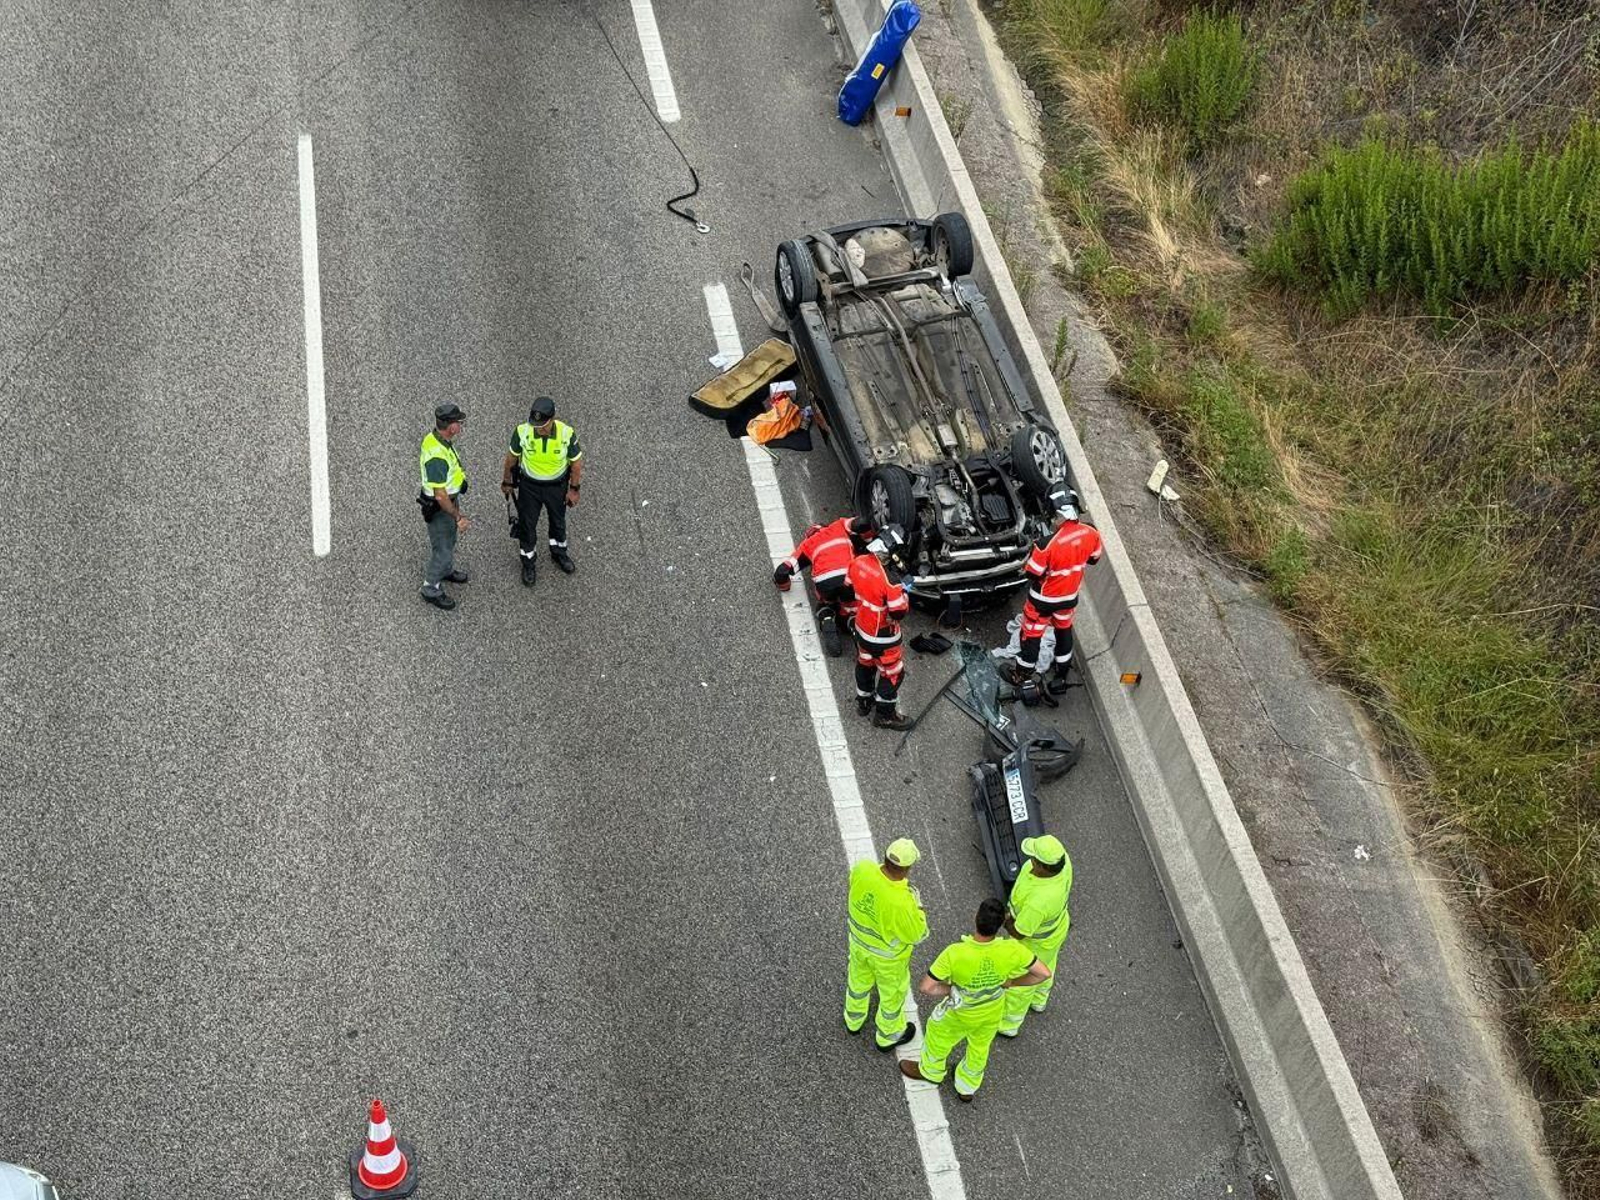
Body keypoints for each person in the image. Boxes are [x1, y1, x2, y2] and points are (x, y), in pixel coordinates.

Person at [899, 898, 1050, 1102]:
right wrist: (1012, 983)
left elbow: (926, 987)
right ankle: (966, 1086)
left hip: (961, 1012)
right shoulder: (1013, 950)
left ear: (975, 918)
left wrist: (950, 989)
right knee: (979, 1048)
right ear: (999, 925)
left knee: (937, 1034)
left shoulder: (955, 953)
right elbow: (1043, 973)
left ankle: (931, 1072)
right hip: (992, 1010)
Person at [1005, 487, 1102, 689]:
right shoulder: (1092, 532)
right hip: (1069, 598)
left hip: (1043, 601)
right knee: (1063, 631)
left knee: (1031, 634)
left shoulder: (1046, 544)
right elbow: (1094, 559)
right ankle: (1062, 673)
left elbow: (1032, 573)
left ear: (1058, 515)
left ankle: (1021, 674)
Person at [844, 838, 929, 1052]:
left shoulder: (863, 869)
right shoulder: (902, 902)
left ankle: (853, 1019)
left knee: (858, 982)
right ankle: (888, 1035)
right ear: (907, 868)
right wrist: (918, 907)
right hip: (887, 960)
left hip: (858, 944)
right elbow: (917, 934)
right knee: (892, 995)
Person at [500, 395, 583, 587]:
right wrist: (507, 482)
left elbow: (576, 463)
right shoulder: (522, 432)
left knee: (558, 522)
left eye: (543, 424)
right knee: (527, 525)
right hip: (530, 487)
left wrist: (574, 489)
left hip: (557, 487)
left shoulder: (566, 433)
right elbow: (511, 459)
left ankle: (559, 553)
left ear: (552, 419)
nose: (539, 428)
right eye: (536, 424)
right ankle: (528, 563)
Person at [998, 834, 1073, 1039]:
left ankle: (1008, 1023)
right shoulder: (1063, 862)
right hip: (1054, 933)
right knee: (1047, 965)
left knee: (1022, 981)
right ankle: (1040, 1000)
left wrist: (1004, 920)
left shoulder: (1040, 901)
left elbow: (1020, 932)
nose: (1029, 860)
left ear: (1043, 866)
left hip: (1034, 942)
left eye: (1033, 858)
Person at [773, 515, 876, 656]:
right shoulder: (838, 526)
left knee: (826, 604)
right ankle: (853, 626)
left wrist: (784, 585)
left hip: (825, 582)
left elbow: (782, 571)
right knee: (852, 606)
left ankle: (827, 618)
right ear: (825, 526)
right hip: (848, 576)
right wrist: (868, 540)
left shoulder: (807, 545)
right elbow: (862, 522)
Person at [847, 526, 912, 730]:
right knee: (893, 673)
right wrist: (906, 593)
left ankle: (864, 703)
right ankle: (885, 715)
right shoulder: (891, 581)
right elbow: (898, 611)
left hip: (862, 627)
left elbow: (849, 586)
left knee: (865, 663)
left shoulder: (857, 562)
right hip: (883, 636)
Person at [419, 403, 470, 611]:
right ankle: (431, 588)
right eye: (459, 422)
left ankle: (446, 571)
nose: (461, 425)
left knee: (449, 541)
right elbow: (440, 495)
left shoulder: (438, 440)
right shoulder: (437, 457)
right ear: (451, 427)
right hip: (442, 508)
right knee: (443, 549)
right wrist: (458, 517)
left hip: (448, 502)